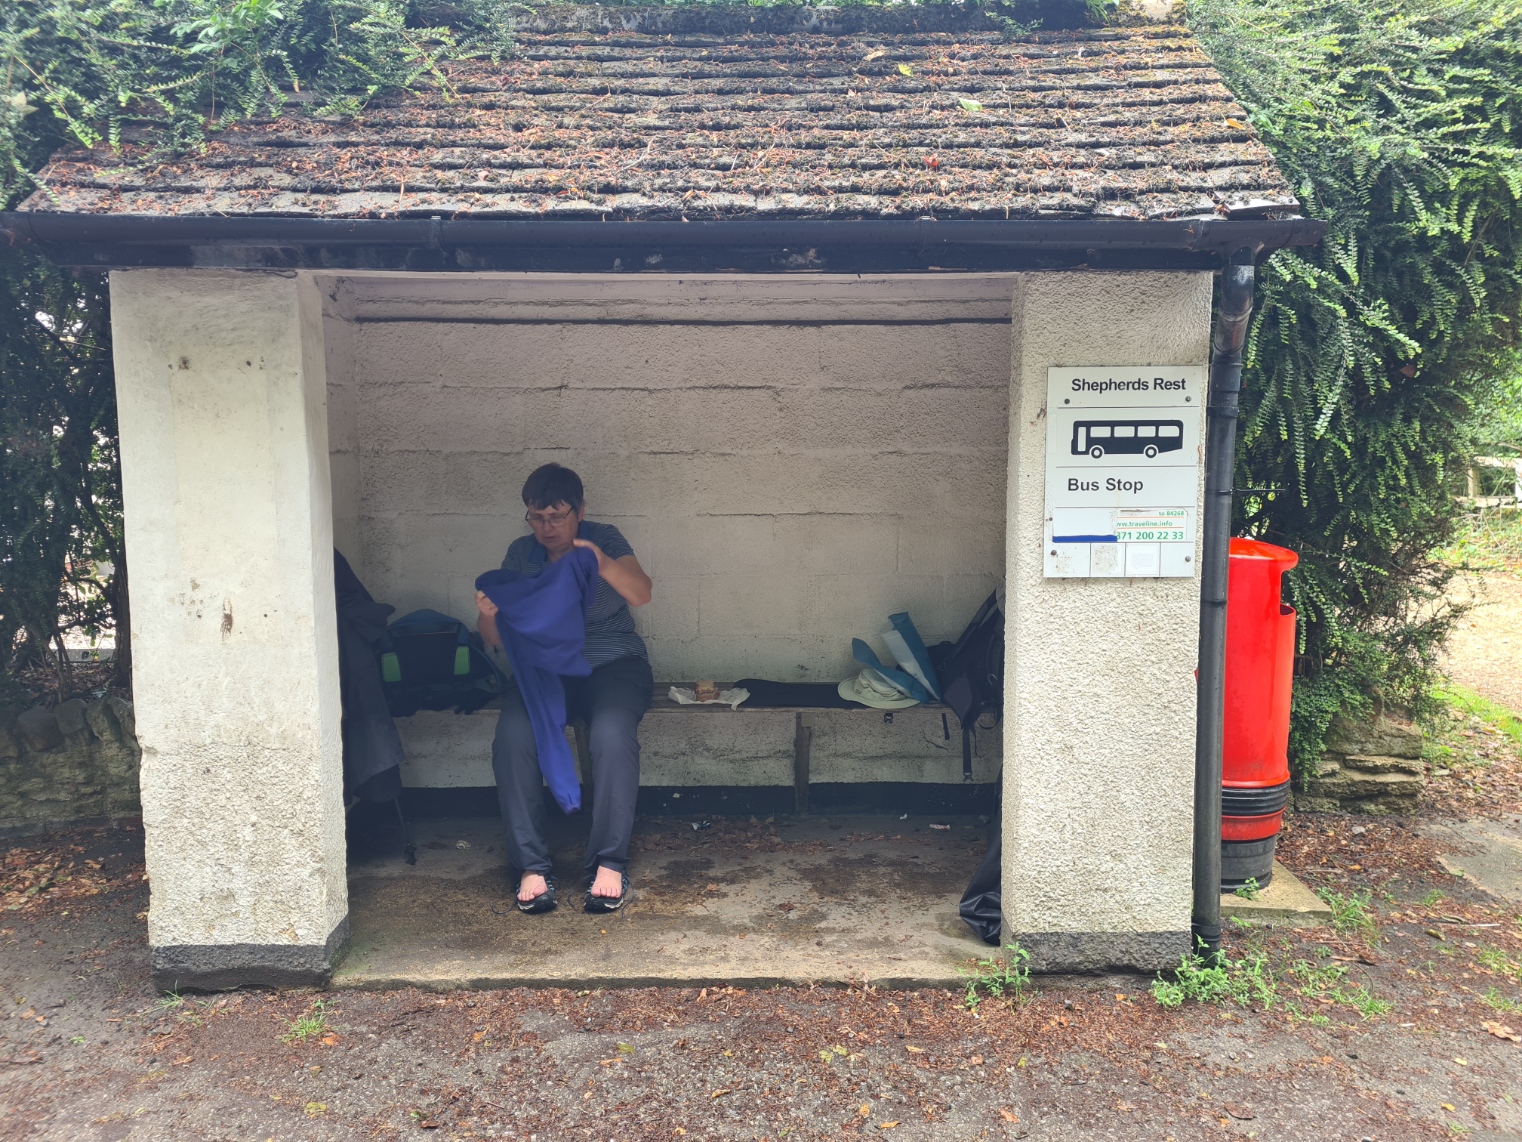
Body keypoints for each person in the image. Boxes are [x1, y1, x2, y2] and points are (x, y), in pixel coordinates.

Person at [475, 463, 654, 915]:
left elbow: (641, 593)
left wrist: (600, 560)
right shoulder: (522, 555)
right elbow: (493, 640)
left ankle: (610, 862)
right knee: (513, 738)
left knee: (612, 734)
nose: (546, 527)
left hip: (614, 666)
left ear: (580, 511)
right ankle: (531, 866)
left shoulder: (604, 538)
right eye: (537, 517)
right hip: (544, 672)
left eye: (556, 516)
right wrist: (490, 613)